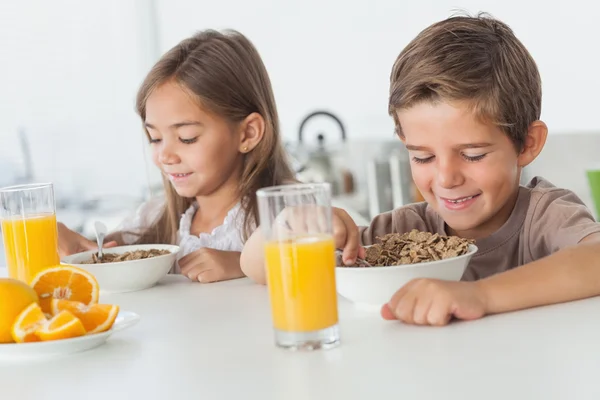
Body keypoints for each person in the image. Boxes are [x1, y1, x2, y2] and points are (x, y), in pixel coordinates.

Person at [241, 13, 600, 325]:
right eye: (423, 157)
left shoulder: (545, 217)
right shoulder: (404, 233)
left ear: (527, 143)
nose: (445, 178)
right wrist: (292, 226)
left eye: (473, 154)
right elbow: (255, 267)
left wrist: (480, 296)